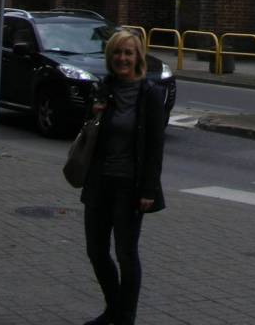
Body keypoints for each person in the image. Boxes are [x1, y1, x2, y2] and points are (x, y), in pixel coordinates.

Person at [81, 29, 166, 325]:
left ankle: (124, 318)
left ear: (138, 57)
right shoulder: (103, 88)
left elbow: (155, 147)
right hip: (99, 181)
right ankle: (114, 310)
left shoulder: (151, 94)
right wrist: (93, 113)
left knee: (126, 253)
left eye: (128, 53)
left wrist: (149, 189)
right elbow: (87, 132)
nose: (122, 58)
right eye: (117, 52)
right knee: (96, 250)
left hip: (130, 186)